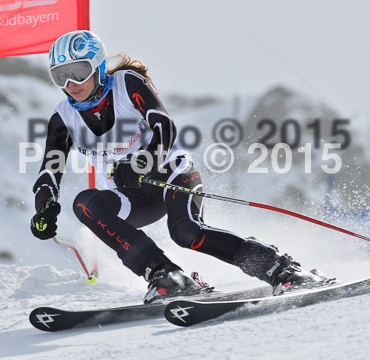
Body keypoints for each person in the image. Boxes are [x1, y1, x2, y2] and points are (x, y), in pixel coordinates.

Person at [30, 30, 324, 303]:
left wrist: (142, 161)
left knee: (186, 232)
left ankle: (280, 268)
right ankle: (166, 275)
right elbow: (50, 169)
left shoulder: (127, 84)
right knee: (85, 204)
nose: (71, 84)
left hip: (171, 174)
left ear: (97, 67)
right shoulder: (63, 117)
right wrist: (44, 207)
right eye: (61, 76)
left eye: (78, 72)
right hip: (133, 196)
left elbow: (164, 126)